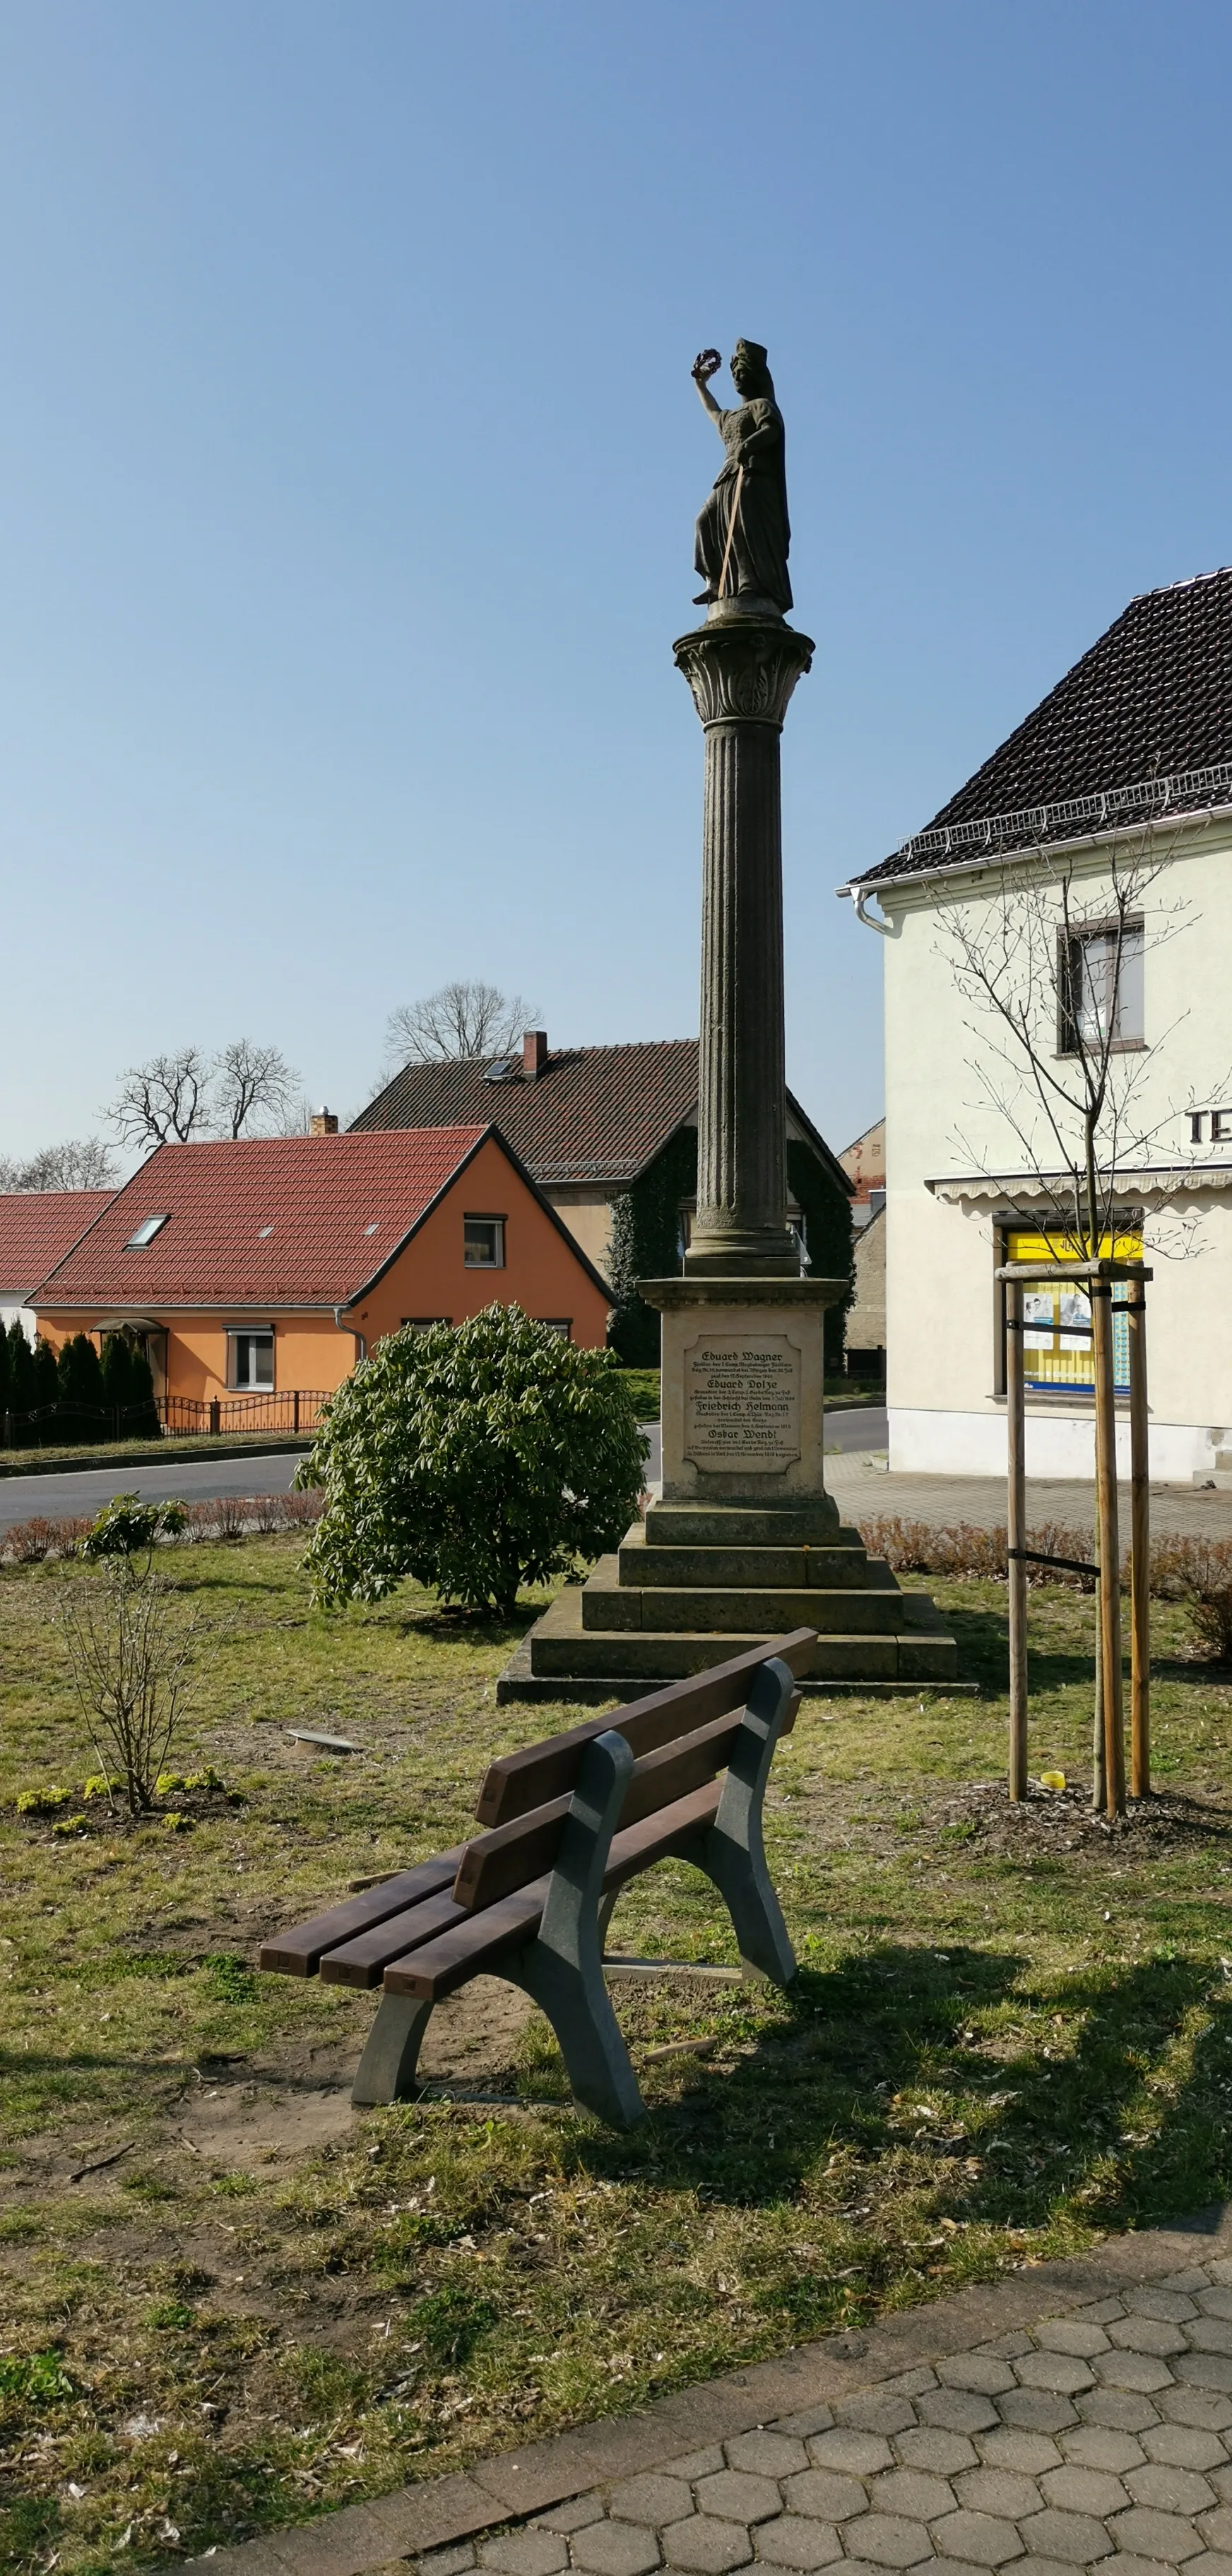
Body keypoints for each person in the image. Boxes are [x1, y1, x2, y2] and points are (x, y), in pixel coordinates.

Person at [692, 340, 792, 614]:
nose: (737, 378)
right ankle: (715, 580)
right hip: (727, 478)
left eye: (743, 373)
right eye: (734, 374)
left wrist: (750, 445)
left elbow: (771, 430)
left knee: (741, 528)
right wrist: (701, 386)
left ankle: (749, 580)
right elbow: (713, 412)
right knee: (704, 522)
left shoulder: (762, 405)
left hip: (752, 476)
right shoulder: (730, 416)